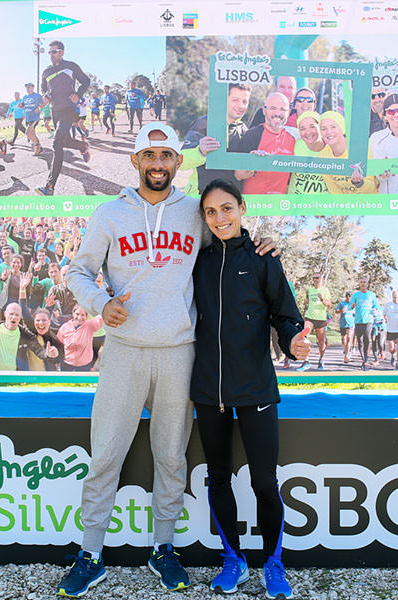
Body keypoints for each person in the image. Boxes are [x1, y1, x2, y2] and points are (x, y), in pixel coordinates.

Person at [57, 123, 277, 596]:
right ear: (135, 161)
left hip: (180, 353)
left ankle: (163, 549)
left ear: (179, 162)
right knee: (105, 457)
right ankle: (90, 554)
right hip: (124, 353)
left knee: (171, 460)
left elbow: (229, 234)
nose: (158, 163)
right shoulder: (110, 213)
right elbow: (77, 271)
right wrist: (100, 302)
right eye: (149, 155)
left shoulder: (193, 214)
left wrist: (261, 245)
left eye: (167, 156)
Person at [190, 178, 308, 598]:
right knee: (218, 478)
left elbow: (285, 315)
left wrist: (293, 341)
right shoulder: (197, 261)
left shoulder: (264, 258)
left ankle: (273, 565)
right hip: (208, 390)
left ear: (241, 208)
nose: (220, 218)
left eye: (226, 208)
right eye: (211, 212)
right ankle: (234, 560)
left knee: (264, 483)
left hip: (256, 387)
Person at [36, 40, 91, 196]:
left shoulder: (70, 66)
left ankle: (50, 186)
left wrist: (78, 95)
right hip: (55, 111)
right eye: (50, 52)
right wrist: (44, 101)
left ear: (62, 52)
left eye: (54, 51)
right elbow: (45, 91)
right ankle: (82, 147)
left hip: (69, 109)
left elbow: (86, 81)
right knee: (64, 140)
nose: (51, 55)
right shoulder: (46, 72)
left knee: (57, 143)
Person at [180, 83, 251, 195]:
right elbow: (180, 162)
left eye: (244, 101)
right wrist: (200, 152)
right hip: (201, 197)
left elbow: (246, 167)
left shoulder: (243, 129)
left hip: (230, 199)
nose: (241, 106)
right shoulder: (204, 124)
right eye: (235, 100)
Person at [231, 92, 295, 195]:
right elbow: (238, 175)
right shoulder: (252, 135)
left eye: (283, 109)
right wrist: (253, 162)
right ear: (264, 111)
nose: (278, 113)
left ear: (289, 112)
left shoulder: (292, 140)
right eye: (273, 108)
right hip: (254, 205)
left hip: (279, 206)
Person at [0, 303, 55, 370]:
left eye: (17, 315)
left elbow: (39, 350)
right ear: (5, 314)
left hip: (17, 378)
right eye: (11, 314)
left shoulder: (25, 333)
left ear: (20, 317)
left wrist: (47, 353)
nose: (14, 317)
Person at [57, 304, 104, 371]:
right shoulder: (65, 327)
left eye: (83, 315)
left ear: (86, 316)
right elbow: (58, 344)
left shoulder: (90, 325)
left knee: (83, 381)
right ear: (73, 314)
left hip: (84, 365)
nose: (79, 317)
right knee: (66, 381)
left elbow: (102, 316)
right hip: (67, 363)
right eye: (77, 314)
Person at [297, 273, 329, 371]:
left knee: (321, 341)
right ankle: (306, 361)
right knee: (304, 335)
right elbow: (307, 301)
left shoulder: (325, 290)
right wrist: (306, 302)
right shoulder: (310, 290)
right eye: (314, 278)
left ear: (321, 279)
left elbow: (329, 304)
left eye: (317, 278)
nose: (315, 279)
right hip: (310, 317)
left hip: (321, 318)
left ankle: (321, 360)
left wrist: (322, 299)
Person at [349, 278, 380, 371]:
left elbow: (376, 306)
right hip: (358, 321)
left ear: (367, 284)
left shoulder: (371, 295)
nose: (363, 284)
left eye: (365, 282)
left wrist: (375, 309)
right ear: (359, 284)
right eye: (361, 282)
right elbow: (350, 307)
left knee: (367, 338)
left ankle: (366, 359)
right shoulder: (355, 295)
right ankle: (363, 358)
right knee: (360, 340)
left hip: (368, 320)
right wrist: (352, 306)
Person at [335, 291, 355, 363]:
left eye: (350, 297)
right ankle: (346, 349)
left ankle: (347, 355)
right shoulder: (341, 303)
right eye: (347, 296)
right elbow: (336, 311)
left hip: (351, 323)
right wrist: (341, 310)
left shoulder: (353, 304)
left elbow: (357, 313)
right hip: (343, 323)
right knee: (344, 340)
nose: (348, 298)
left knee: (349, 338)